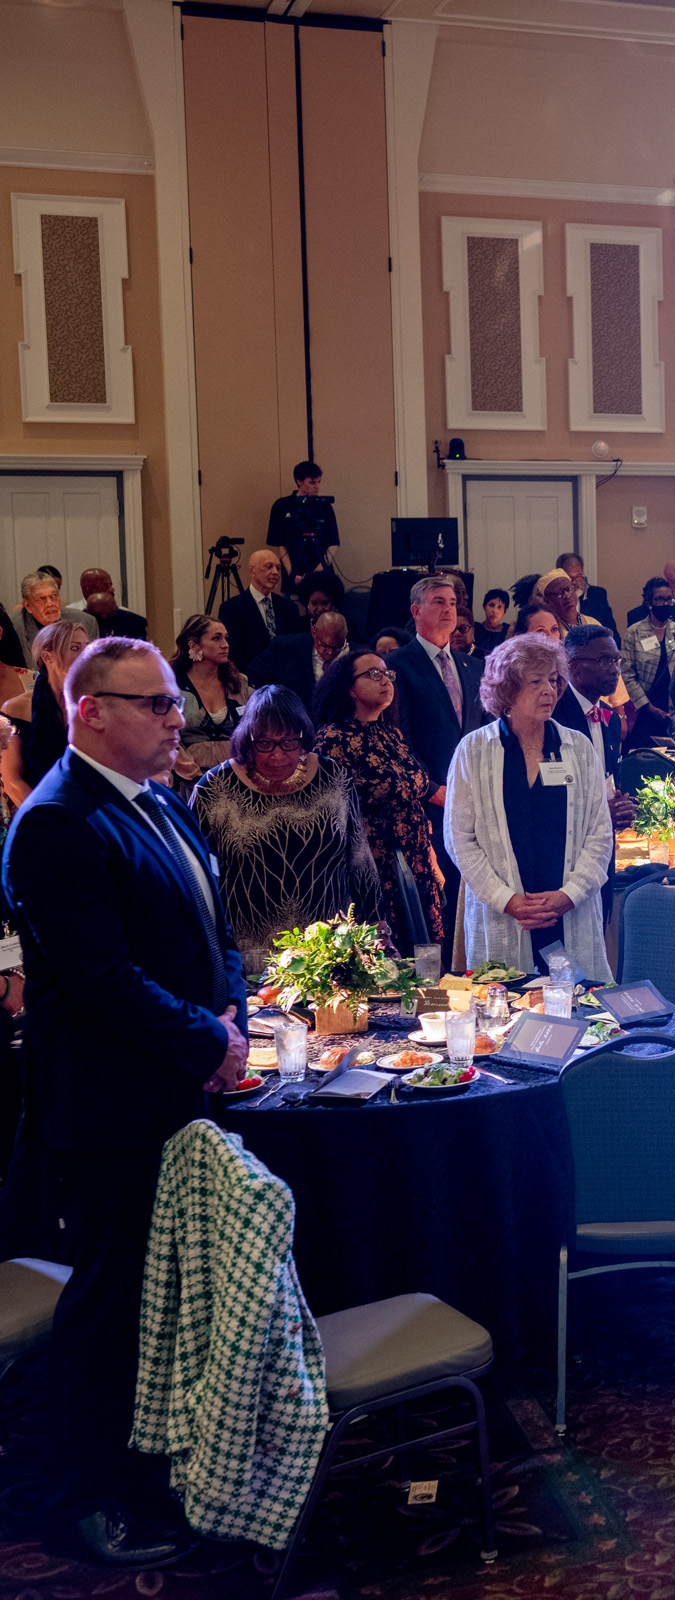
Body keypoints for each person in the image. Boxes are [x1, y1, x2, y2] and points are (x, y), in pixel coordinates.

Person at [4, 637, 247, 1569]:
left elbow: (214, 927)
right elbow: (103, 979)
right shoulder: (60, 821)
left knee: (163, 1301)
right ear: (90, 710)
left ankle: (152, 1470)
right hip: (108, 1108)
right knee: (106, 1308)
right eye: (154, 704)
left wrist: (229, 1012)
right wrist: (207, 1038)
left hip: (177, 1087)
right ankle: (76, 1500)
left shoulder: (165, 802)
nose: (175, 718)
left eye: (176, 704)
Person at [446, 633, 614, 981]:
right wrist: (509, 901)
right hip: (505, 916)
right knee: (501, 1019)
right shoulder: (473, 751)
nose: (549, 690)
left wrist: (569, 895)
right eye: (536, 681)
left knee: (579, 1015)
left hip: (569, 912)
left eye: (553, 680)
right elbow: (460, 840)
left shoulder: (578, 748)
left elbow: (600, 834)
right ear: (507, 689)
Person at [191, 679, 384, 950]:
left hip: (330, 952)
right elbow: (196, 876)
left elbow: (360, 858)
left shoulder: (333, 777)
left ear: (303, 737)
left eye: (290, 742)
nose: (278, 755)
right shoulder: (214, 788)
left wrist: (376, 923)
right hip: (249, 951)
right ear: (247, 739)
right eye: (265, 744)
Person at [312, 651, 447, 946]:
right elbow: (333, 813)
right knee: (389, 956)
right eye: (374, 674)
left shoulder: (391, 733)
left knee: (425, 956)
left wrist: (429, 853)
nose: (385, 680)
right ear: (349, 687)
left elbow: (414, 792)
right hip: (375, 864)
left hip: (415, 858)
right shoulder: (334, 738)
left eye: (388, 674)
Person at [386, 575, 489, 940]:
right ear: (416, 611)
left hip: (474, 804)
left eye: (452, 602)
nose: (449, 609)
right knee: (438, 906)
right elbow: (399, 741)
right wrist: (432, 789)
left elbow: (485, 737)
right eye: (438, 602)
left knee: (472, 899)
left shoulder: (473, 666)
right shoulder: (398, 664)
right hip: (427, 805)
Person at [552, 624, 637, 832]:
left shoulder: (612, 719)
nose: (614, 669)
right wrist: (598, 813)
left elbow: (610, 781)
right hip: (565, 844)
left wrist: (620, 804)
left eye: (616, 660)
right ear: (572, 665)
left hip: (605, 844)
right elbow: (552, 791)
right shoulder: (553, 718)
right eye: (603, 660)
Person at [1, 620, 87, 806]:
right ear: (48, 657)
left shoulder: (96, 705)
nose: (85, 655)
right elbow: (12, 781)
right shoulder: (14, 709)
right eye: (75, 648)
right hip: (39, 812)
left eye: (87, 647)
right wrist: (48, 816)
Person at [167, 613, 249, 794]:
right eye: (216, 638)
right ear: (194, 645)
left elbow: (253, 729)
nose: (225, 645)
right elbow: (167, 738)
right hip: (190, 783)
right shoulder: (173, 685)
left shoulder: (238, 683)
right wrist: (199, 779)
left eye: (226, 638)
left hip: (237, 781)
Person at [621, 576, 675, 740]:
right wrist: (649, 707)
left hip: (673, 710)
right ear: (649, 602)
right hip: (644, 708)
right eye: (659, 599)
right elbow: (627, 675)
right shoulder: (634, 633)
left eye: (669, 599)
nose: (665, 604)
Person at [217, 547, 301, 668]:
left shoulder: (289, 607)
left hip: (285, 679)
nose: (275, 572)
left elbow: (297, 648)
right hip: (251, 680)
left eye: (278, 568)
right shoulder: (231, 609)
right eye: (269, 566)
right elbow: (233, 654)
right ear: (252, 571)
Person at [248, 608, 347, 702]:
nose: (330, 652)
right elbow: (254, 671)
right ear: (314, 632)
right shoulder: (286, 648)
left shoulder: (357, 656)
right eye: (324, 645)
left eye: (337, 647)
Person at [265, 459, 339, 582]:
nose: (316, 487)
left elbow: (334, 543)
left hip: (322, 576)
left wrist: (320, 569)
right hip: (294, 573)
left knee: (323, 598)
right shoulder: (282, 506)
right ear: (299, 481)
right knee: (293, 600)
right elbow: (280, 544)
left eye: (318, 482)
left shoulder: (325, 506)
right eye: (312, 482)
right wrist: (291, 572)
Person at [555, 553, 618, 640]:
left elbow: (611, 631)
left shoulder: (598, 595)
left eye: (578, 576)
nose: (574, 582)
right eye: (570, 577)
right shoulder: (554, 598)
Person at [78, 569, 146, 640]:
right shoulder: (72, 616)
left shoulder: (130, 620)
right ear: (87, 589)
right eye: (105, 586)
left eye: (111, 585)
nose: (112, 589)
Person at [473, 589, 511, 655]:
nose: (494, 611)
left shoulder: (508, 631)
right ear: (484, 606)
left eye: (499, 607)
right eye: (491, 605)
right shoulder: (475, 629)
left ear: (505, 611)